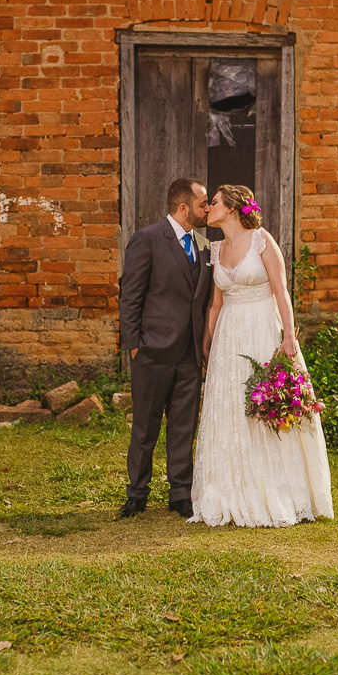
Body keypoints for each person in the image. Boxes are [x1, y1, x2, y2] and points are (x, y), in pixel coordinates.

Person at [189, 185, 334, 527]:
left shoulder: (262, 241)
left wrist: (289, 337)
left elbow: (281, 291)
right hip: (229, 335)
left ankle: (281, 491)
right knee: (229, 407)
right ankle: (228, 489)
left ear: (233, 208)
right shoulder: (217, 247)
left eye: (215, 203)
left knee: (263, 403)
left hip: (262, 328)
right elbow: (215, 302)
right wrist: (208, 341)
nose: (208, 208)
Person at [117, 178, 213, 519]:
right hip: (151, 353)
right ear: (184, 207)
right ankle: (137, 494)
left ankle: (180, 493)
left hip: (188, 355)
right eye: (203, 203)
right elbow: (130, 296)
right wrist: (133, 347)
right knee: (145, 427)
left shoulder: (203, 245)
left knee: (184, 427)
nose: (208, 208)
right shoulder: (147, 239)